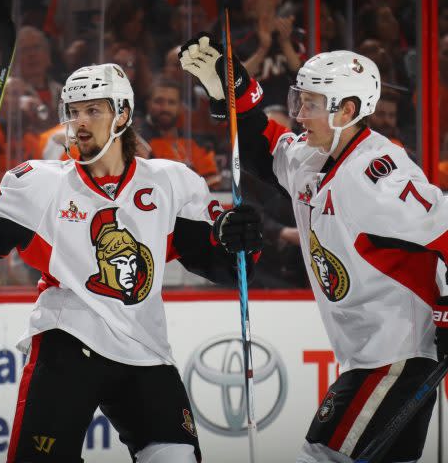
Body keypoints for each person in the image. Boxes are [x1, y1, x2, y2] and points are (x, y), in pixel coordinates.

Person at [0, 62, 263, 462]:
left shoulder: (171, 181)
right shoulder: (42, 183)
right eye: (74, 110)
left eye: (93, 110)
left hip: (145, 348)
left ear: (122, 114)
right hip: (67, 340)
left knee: (176, 458)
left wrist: (238, 240)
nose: (80, 122)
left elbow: (217, 261)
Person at [180, 33, 448, 463]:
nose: (299, 115)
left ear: (349, 110)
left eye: (311, 104)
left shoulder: (376, 175)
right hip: (368, 356)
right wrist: (232, 92)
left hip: (396, 357)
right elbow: (263, 148)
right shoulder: (313, 155)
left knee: (322, 455)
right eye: (297, 100)